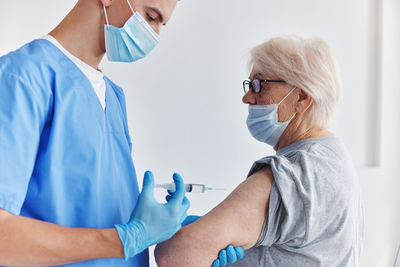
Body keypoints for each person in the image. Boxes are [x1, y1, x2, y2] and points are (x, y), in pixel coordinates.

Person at [0, 0, 241, 266]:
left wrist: (171, 230)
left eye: (162, 25)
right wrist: (127, 238)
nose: (155, 36)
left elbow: (101, 210)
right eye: (151, 17)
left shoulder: (113, 97)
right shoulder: (21, 78)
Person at [154, 35, 364, 267]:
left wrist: (167, 232)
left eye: (259, 85)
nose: (246, 97)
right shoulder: (334, 160)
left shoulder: (294, 174)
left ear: (302, 97)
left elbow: (174, 255)